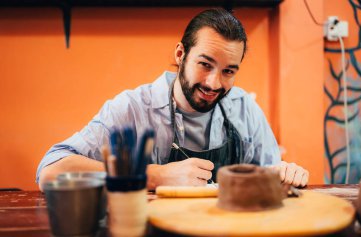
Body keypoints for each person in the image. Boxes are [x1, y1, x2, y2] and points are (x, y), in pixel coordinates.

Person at [37, 8, 309, 191]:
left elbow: (270, 177)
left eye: (228, 71)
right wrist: (154, 176)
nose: (214, 83)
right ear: (181, 54)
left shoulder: (244, 109)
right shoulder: (133, 108)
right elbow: (51, 169)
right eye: (205, 64)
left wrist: (286, 175)